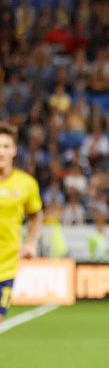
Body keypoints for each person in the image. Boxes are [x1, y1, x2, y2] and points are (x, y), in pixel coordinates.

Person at [0, 123, 42, 324]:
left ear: (14, 150)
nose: (1, 152)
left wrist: (31, 242)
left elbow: (35, 215)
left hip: (5, 267)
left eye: (6, 146)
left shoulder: (26, 184)